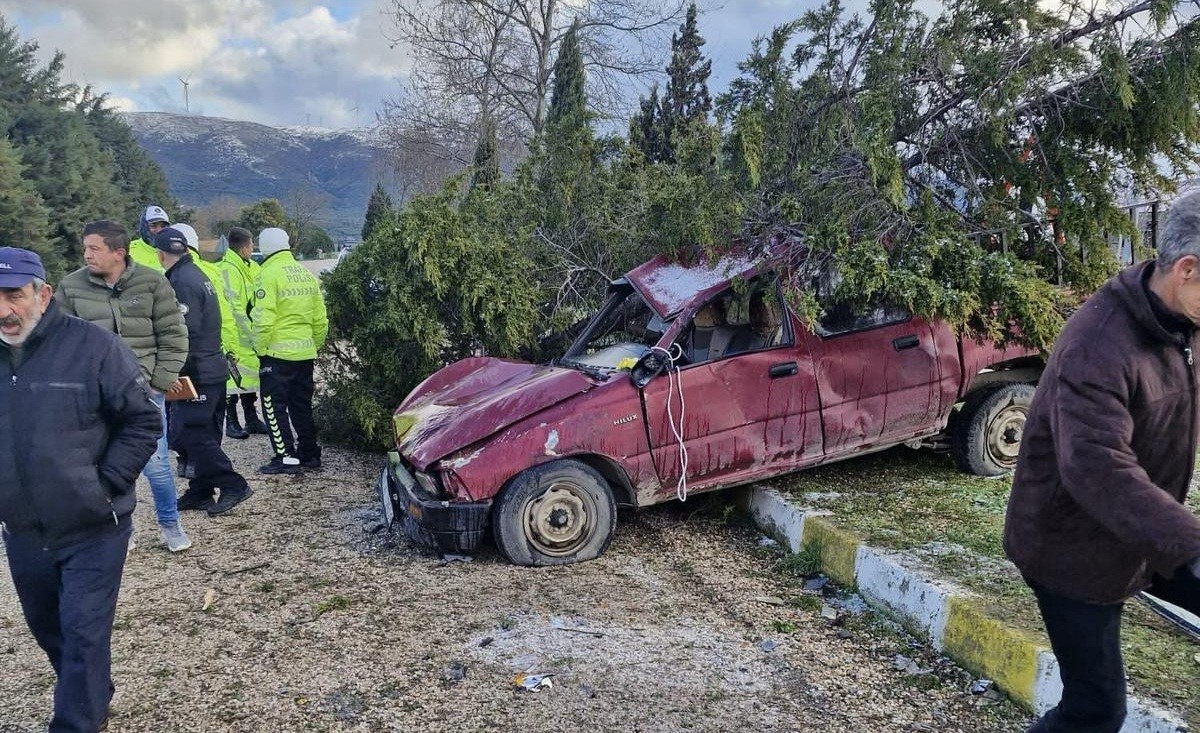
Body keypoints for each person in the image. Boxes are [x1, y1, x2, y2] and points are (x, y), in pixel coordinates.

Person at [1004, 191, 1200, 733]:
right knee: (1095, 709)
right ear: (1186, 269)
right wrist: (1191, 544)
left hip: (1141, 530)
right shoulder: (1099, 343)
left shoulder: (1182, 319)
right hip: (1070, 548)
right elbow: (1098, 467)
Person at [0, 246, 161, 732]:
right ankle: (93, 690)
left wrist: (106, 484)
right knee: (50, 631)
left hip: (94, 526)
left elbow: (142, 420)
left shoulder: (92, 347)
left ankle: (76, 720)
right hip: (24, 531)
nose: (4, 311)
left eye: (13, 296)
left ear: (43, 295)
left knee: (83, 634)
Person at [55, 219, 193, 552]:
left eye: (94, 248)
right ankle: (119, 527)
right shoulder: (71, 287)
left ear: (119, 252)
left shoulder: (152, 283)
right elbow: (58, 341)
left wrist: (158, 383)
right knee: (103, 465)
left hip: (144, 392)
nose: (86, 254)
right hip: (93, 398)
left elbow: (174, 336)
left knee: (156, 466)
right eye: (85, 247)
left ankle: (170, 524)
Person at [153, 227, 253, 515]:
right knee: (204, 432)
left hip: (196, 370)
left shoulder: (180, 281)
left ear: (160, 255)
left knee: (188, 434)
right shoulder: (196, 274)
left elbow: (184, 332)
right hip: (210, 366)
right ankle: (200, 490)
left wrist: (170, 371)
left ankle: (233, 484)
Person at [253, 227, 328, 474]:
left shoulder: (268, 274)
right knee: (301, 405)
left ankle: (285, 456)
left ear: (264, 247)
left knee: (273, 407)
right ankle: (310, 454)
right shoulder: (305, 274)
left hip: (276, 354)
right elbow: (321, 319)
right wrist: (313, 344)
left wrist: (260, 348)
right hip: (305, 353)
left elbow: (263, 318)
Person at [216, 227, 268, 438]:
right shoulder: (228, 269)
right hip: (235, 335)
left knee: (250, 379)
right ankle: (231, 422)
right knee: (232, 380)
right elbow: (233, 305)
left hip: (249, 335)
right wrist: (249, 331)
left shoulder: (251, 266)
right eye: (251, 244)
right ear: (246, 245)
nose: (253, 248)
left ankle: (251, 419)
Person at [128, 205, 171, 271]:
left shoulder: (175, 252)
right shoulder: (128, 251)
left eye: (163, 226)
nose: (159, 230)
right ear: (144, 227)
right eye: (153, 226)